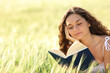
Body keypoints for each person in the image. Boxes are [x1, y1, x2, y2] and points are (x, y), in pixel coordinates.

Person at [58, 6, 110, 73]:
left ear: (88, 22)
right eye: (70, 27)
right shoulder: (71, 49)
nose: (75, 29)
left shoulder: (107, 43)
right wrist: (78, 45)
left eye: (79, 23)